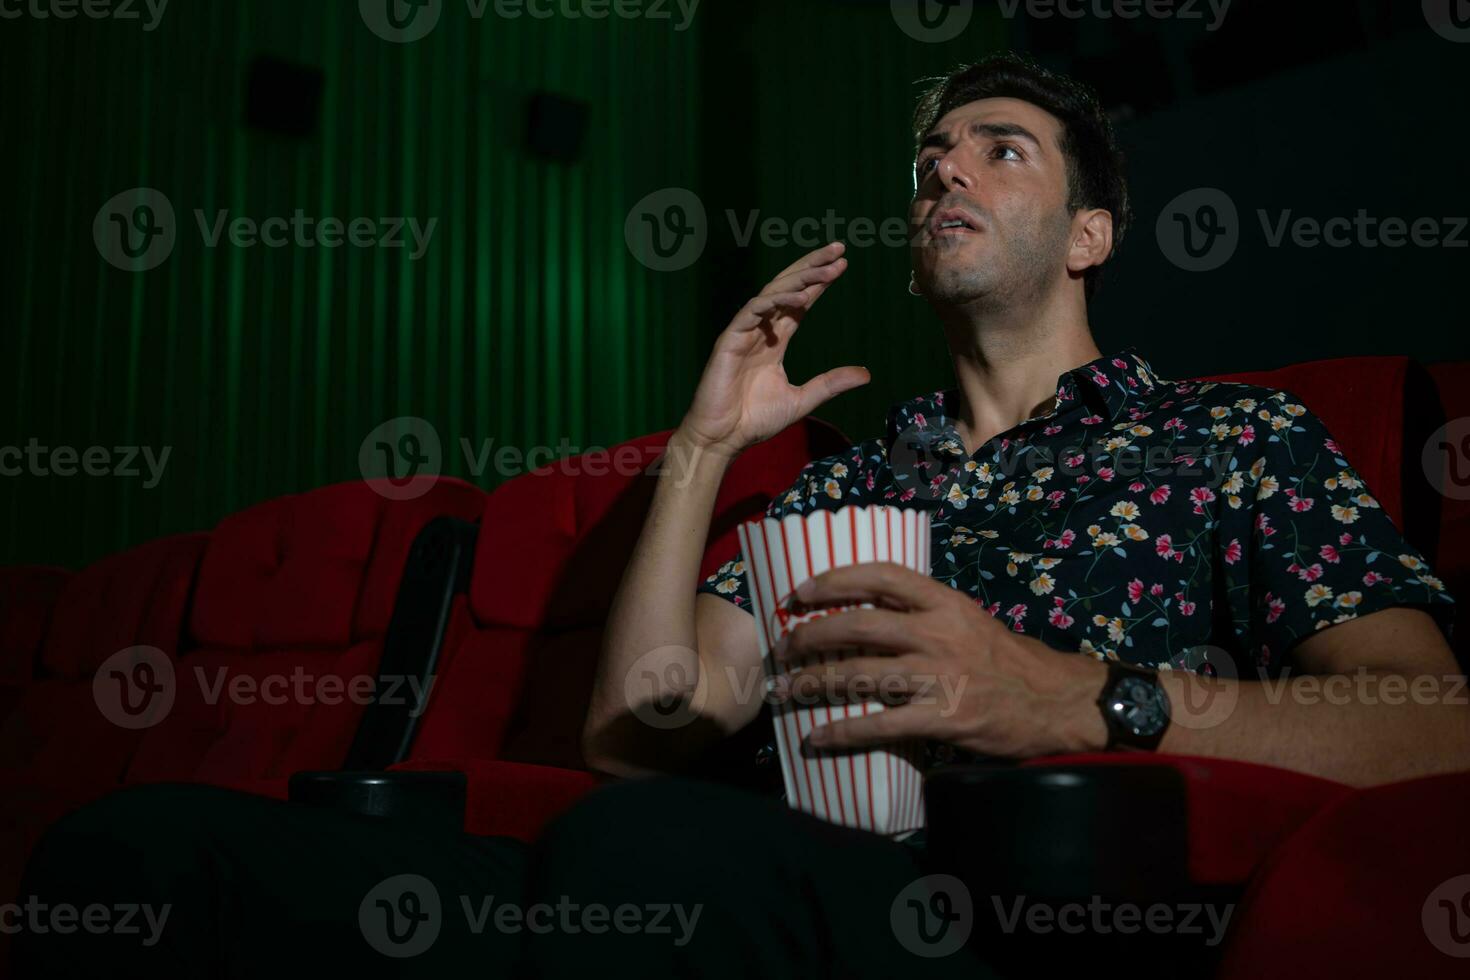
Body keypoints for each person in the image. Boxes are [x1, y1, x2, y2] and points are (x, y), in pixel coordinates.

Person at [14, 51, 1463, 979]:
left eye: (998, 148)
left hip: (996, 905)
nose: (941, 168)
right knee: (147, 851)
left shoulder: (1227, 439)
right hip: (698, 874)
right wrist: (702, 450)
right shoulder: (852, 483)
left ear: (1089, 235)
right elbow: (636, 727)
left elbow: (1432, 722)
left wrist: (1080, 699)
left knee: (646, 854)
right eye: (929, 157)